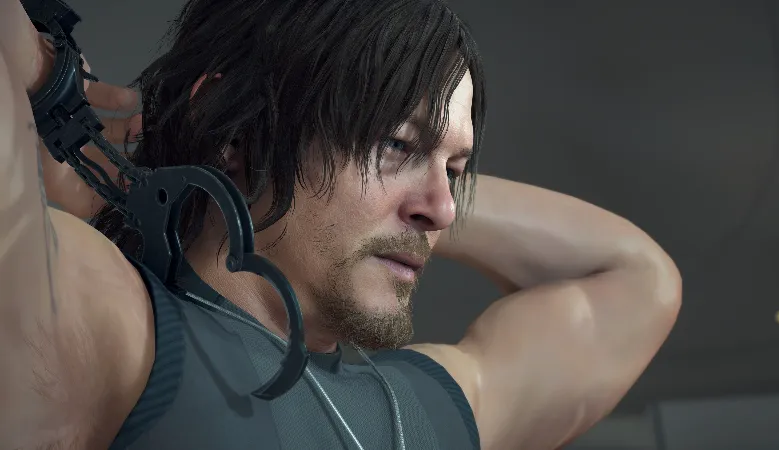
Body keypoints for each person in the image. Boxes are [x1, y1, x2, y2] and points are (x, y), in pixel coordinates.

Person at [0, 0, 682, 448]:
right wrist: (45, 87)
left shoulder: (418, 413)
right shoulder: (118, 326)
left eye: (456, 169)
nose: (446, 209)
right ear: (237, 131)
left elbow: (634, 281)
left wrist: (409, 189)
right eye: (396, 143)